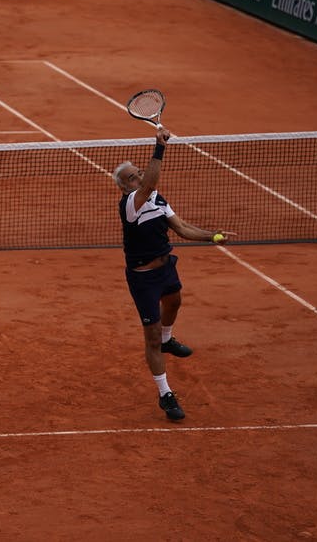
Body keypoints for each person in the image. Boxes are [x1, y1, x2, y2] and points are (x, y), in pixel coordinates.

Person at [113, 126, 232, 421]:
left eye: (139, 172)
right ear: (125, 187)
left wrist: (211, 236)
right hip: (143, 279)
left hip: (166, 269)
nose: (139, 176)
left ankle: (168, 338)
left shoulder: (158, 201)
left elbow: (181, 228)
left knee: (175, 301)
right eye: (133, 176)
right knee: (150, 338)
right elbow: (151, 181)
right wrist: (159, 148)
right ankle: (165, 394)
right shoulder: (131, 205)